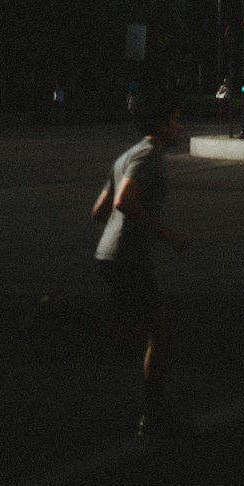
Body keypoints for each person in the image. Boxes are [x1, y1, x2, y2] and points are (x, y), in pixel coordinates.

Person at [92, 90, 193, 438]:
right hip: (126, 258)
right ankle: (152, 416)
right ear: (162, 124)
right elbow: (122, 202)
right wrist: (168, 234)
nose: (181, 127)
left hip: (111, 253)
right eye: (177, 120)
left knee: (141, 331)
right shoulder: (148, 156)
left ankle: (65, 321)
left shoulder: (126, 156)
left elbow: (99, 210)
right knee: (159, 330)